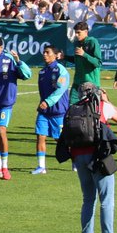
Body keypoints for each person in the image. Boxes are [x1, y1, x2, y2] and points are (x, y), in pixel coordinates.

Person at [58, 83, 117, 233]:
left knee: (88, 199)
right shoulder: (102, 106)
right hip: (98, 157)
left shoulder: (72, 109)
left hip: (78, 158)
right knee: (106, 200)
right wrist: (107, 100)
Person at [0, 36, 31, 180]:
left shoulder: (10, 60)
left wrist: (18, 61)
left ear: (1, 48)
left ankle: (5, 167)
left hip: (5, 102)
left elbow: (27, 75)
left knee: (1, 130)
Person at [33, 43, 70, 175]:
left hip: (58, 111)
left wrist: (48, 102)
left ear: (56, 55)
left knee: (61, 140)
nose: (45, 54)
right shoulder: (42, 72)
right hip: (44, 111)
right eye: (44, 52)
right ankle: (41, 166)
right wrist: (44, 104)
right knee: (40, 136)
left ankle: (76, 161)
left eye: (48, 52)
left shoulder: (61, 70)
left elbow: (61, 89)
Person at [71, 21, 102, 88]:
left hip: (90, 83)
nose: (76, 35)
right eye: (75, 32)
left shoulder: (92, 42)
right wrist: (64, 57)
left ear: (86, 32)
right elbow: (76, 60)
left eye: (78, 32)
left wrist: (84, 54)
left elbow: (98, 63)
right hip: (77, 82)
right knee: (71, 99)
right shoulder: (76, 43)